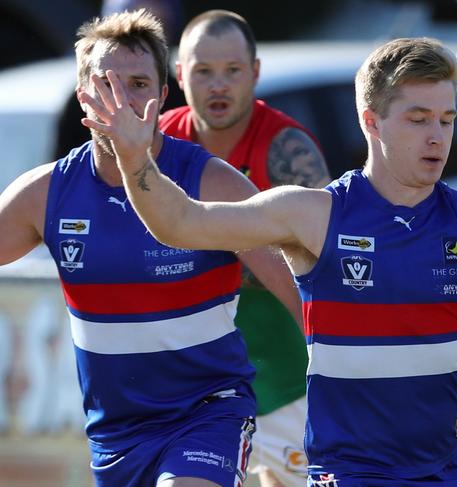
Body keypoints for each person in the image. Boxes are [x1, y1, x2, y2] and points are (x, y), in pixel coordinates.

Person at [80, 36, 457, 486]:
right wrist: (135, 157)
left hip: (447, 472)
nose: (438, 136)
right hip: (349, 475)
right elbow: (183, 223)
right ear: (371, 122)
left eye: (446, 119)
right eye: (417, 118)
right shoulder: (312, 214)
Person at [0, 9, 303, 487]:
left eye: (139, 84)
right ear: (84, 97)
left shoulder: (212, 182)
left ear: (163, 97)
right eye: (107, 84)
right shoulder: (46, 194)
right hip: (116, 434)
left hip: (209, 414)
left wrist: (359, 381)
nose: (123, 100)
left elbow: (302, 285)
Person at [159, 10, 330, 487]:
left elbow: (322, 265)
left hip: (287, 374)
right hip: (195, 384)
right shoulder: (156, 146)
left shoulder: (288, 149)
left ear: (254, 72)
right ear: (179, 75)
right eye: (203, 71)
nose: (218, 85)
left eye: (232, 71)